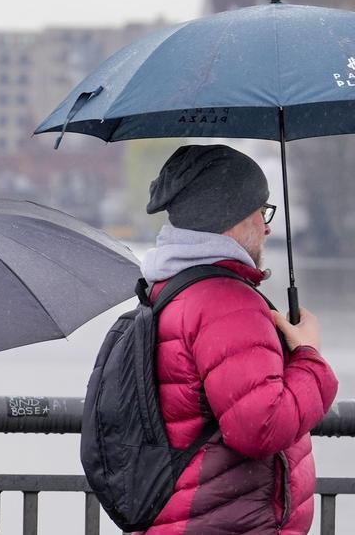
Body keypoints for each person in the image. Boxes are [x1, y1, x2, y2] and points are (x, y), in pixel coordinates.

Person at [138, 144, 339, 534]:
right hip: (228, 522)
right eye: (260, 212)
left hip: (186, 516)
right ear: (230, 218)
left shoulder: (172, 289)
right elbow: (260, 427)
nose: (267, 228)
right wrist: (310, 356)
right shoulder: (226, 303)